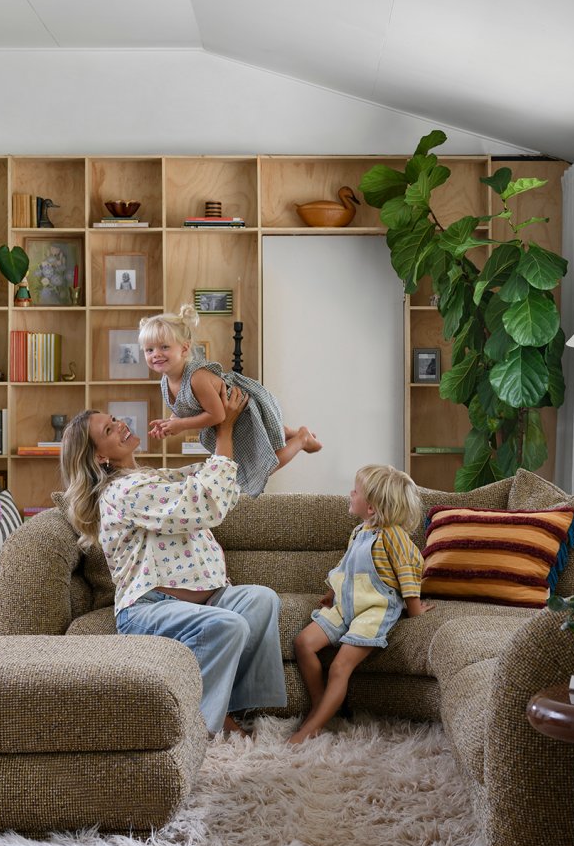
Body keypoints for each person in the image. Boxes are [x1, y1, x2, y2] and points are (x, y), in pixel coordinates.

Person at [59, 385, 287, 738]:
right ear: (100, 457)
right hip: (148, 610)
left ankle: (235, 706)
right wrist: (223, 429)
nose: (120, 425)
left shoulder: (152, 477)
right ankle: (204, 722)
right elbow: (206, 502)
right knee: (228, 626)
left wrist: (271, 436)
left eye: (115, 420)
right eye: (108, 430)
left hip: (206, 598)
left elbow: (221, 479)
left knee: (262, 600)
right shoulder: (124, 490)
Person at [289, 464, 434, 744]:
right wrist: (332, 592)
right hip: (346, 605)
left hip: (374, 610)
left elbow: (408, 570)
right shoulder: (359, 532)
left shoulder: (393, 536)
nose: (350, 493)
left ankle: (312, 727)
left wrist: (414, 609)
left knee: (340, 667)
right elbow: (347, 566)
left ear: (371, 507)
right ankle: (322, 708)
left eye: (356, 491)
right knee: (303, 644)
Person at [139, 304, 322, 497]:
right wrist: (170, 422)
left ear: (184, 349)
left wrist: (181, 425)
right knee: (267, 436)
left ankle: (302, 438)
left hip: (244, 410)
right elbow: (185, 407)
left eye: (164, 347)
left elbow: (217, 415)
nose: (156, 354)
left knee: (260, 468)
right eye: (149, 350)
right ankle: (289, 432)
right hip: (234, 418)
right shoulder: (165, 381)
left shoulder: (196, 378)